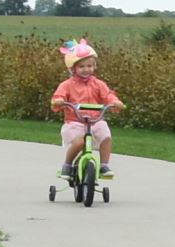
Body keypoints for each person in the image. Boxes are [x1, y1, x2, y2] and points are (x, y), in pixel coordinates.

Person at [50, 39, 126, 180]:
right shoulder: (67, 85)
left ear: (94, 66)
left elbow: (108, 95)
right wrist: (59, 101)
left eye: (90, 66)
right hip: (75, 122)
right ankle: (67, 165)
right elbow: (58, 97)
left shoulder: (98, 84)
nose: (87, 69)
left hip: (95, 121)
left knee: (106, 136)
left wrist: (115, 102)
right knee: (79, 143)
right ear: (73, 69)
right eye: (82, 67)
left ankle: (104, 165)